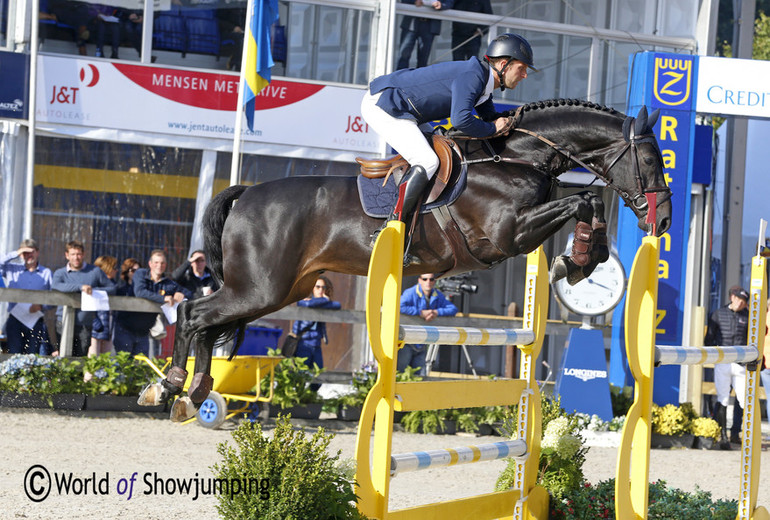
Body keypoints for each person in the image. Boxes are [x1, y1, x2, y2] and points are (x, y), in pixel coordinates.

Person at [361, 32, 536, 254]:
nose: (525, 75)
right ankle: (392, 226)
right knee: (427, 161)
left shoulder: (483, 80)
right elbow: (462, 119)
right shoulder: (473, 76)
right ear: (504, 64)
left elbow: (488, 114)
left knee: (442, 153)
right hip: (385, 104)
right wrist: (493, 128)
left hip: (406, 109)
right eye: (522, 68)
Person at [51, 240, 116, 357]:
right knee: (63, 357)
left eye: (79, 254)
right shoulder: (60, 273)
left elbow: (112, 288)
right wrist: (80, 287)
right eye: (73, 254)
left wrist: (94, 290)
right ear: (67, 255)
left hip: (85, 323)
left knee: (81, 356)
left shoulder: (94, 271)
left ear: (83, 254)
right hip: (63, 321)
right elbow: (56, 286)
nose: (76, 257)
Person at [705, 285, 750, 449]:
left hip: (740, 363)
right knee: (722, 397)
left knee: (743, 398)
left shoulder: (748, 316)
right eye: (738, 299)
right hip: (723, 361)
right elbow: (709, 337)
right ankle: (722, 435)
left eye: (743, 301)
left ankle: (737, 432)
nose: (740, 303)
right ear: (732, 297)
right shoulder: (718, 314)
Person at [0, 239, 56, 356]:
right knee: (14, 356)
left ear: (37, 252)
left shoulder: (46, 273)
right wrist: (16, 253)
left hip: (35, 320)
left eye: (31, 252)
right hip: (15, 320)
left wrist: (41, 306)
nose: (29, 255)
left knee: (33, 356)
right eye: (25, 253)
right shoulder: (12, 269)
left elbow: (55, 298)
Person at [399, 273, 458, 374]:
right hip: (406, 341)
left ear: (435, 281)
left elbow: (453, 309)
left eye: (431, 279)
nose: (428, 282)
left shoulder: (437, 294)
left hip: (423, 341)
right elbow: (399, 306)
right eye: (425, 279)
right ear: (419, 280)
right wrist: (420, 312)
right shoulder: (410, 292)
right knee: (399, 373)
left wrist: (435, 312)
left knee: (420, 377)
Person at [133, 250, 193, 331]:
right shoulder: (140, 273)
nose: (159, 265)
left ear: (165, 265)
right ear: (150, 264)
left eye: (162, 263)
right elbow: (140, 292)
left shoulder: (168, 283)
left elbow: (189, 294)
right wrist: (164, 298)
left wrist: (181, 294)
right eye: (156, 262)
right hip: (131, 324)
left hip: (152, 328)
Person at [292, 276, 341, 372]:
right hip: (304, 344)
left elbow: (337, 305)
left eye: (323, 287)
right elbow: (307, 304)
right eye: (317, 287)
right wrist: (325, 300)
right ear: (312, 288)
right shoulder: (305, 300)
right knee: (300, 376)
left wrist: (324, 301)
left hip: (317, 345)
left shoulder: (323, 304)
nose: (321, 290)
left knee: (318, 379)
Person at [113, 258, 156, 356]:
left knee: (141, 366)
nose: (136, 274)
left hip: (143, 332)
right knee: (124, 364)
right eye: (133, 271)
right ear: (126, 272)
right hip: (125, 331)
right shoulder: (121, 290)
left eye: (139, 271)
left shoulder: (148, 290)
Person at [396, 0, 454, 71]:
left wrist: (441, 5)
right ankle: (399, 79)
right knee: (404, 55)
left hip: (429, 25)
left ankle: (418, 81)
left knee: (423, 59)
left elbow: (449, 2)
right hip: (412, 22)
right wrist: (415, 1)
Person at [88, 255, 118, 357]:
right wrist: (96, 323)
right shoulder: (93, 283)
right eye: (114, 268)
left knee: (106, 362)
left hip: (108, 328)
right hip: (95, 329)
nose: (116, 270)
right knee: (93, 360)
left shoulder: (114, 285)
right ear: (107, 268)